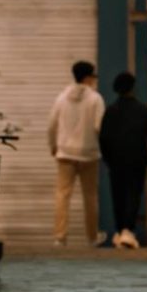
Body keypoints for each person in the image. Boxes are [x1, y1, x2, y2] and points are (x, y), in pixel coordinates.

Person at [99, 72, 147, 249]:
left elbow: (103, 138)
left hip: (116, 161)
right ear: (133, 87)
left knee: (118, 195)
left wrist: (107, 158)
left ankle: (119, 230)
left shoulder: (111, 111)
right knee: (134, 194)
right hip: (137, 159)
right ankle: (128, 230)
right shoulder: (142, 109)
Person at [48, 61, 106, 247]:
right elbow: (99, 127)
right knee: (90, 196)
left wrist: (53, 146)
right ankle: (91, 237)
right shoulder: (96, 99)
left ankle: (60, 237)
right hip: (89, 153)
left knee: (62, 195)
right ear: (88, 77)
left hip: (65, 153)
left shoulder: (62, 97)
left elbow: (51, 125)